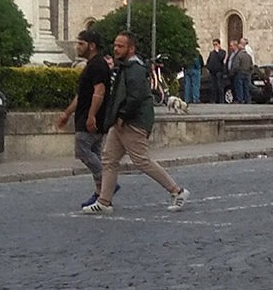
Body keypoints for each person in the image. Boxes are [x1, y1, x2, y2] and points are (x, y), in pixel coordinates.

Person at [83, 31, 188, 214]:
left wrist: (123, 116)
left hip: (133, 121)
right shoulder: (124, 67)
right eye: (115, 45)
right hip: (121, 121)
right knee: (109, 159)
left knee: (141, 160)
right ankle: (104, 201)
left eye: (120, 46)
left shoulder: (135, 69)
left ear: (131, 49)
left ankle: (177, 191)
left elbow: (136, 96)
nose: (116, 49)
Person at [55, 29, 116, 208]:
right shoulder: (92, 64)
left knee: (82, 150)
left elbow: (100, 91)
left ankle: (106, 184)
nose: (77, 47)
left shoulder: (97, 65)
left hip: (91, 117)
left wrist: (91, 116)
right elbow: (82, 94)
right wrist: (67, 113)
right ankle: (101, 193)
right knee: (95, 153)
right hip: (86, 115)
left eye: (81, 44)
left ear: (92, 46)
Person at [228, 40, 254, 104]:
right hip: (247, 73)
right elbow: (252, 66)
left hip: (240, 73)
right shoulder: (248, 56)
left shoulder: (239, 56)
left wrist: (232, 72)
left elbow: (236, 66)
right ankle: (247, 99)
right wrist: (250, 72)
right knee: (246, 87)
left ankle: (240, 99)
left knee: (239, 87)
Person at [206, 39, 227, 103]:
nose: (215, 46)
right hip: (212, 72)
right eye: (214, 45)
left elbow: (221, 58)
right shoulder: (212, 53)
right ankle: (213, 100)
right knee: (213, 87)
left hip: (219, 72)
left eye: (216, 44)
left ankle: (221, 100)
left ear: (219, 44)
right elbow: (208, 61)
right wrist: (209, 67)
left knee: (220, 86)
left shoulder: (222, 52)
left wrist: (217, 51)